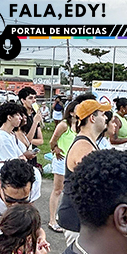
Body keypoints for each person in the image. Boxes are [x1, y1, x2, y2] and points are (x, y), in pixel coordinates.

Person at [57, 99, 110, 245]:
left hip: (83, 217)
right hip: (78, 218)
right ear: (92, 118)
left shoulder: (88, 142)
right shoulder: (83, 146)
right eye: (103, 114)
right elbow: (96, 183)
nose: (106, 118)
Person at [47, 99, 80, 233]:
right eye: (78, 109)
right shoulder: (63, 125)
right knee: (58, 190)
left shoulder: (80, 125)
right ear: (71, 112)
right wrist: (55, 148)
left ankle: (66, 216)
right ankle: (52, 220)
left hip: (74, 161)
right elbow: (52, 141)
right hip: (61, 160)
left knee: (72, 190)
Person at [17, 87, 44, 165]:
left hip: (32, 153)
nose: (34, 100)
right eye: (30, 98)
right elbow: (25, 141)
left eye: (35, 98)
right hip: (22, 154)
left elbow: (41, 140)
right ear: (23, 100)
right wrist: (35, 122)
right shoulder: (20, 117)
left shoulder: (34, 115)